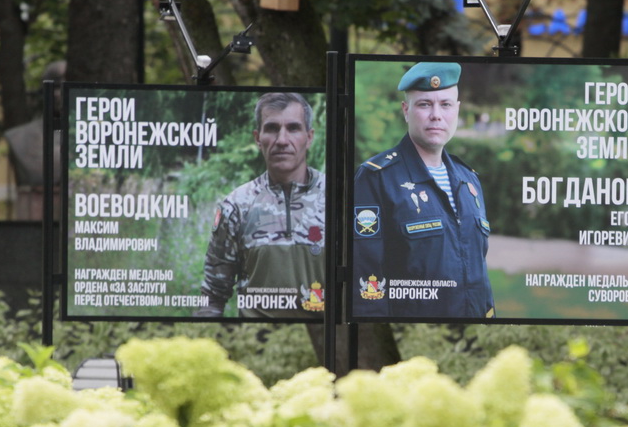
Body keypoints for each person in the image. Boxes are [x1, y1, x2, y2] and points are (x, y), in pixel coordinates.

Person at [352, 61, 494, 319]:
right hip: (415, 335)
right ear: (406, 111)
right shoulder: (377, 178)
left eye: (446, 104)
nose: (436, 115)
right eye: (425, 104)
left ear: (457, 110)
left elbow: (479, 275)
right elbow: (366, 275)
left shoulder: (469, 181)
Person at [196, 92, 327, 319]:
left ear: (309, 136)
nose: (282, 140)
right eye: (272, 128)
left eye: (293, 128)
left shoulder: (339, 199)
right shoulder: (237, 206)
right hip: (255, 338)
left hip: (327, 341)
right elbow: (212, 297)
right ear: (258, 137)